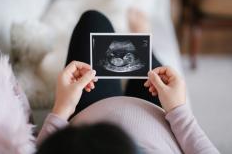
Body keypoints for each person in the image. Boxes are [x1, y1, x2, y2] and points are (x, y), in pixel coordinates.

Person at [36, 10, 220, 154]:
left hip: (86, 108)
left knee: (93, 20)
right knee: (151, 66)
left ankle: (142, 43)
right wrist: (179, 111)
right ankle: (144, 39)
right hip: (162, 112)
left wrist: (61, 109)